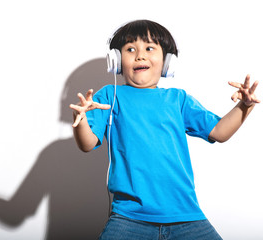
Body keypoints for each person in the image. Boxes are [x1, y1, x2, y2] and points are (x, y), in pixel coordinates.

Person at [69, 20, 260, 240]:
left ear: (168, 62)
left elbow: (219, 132)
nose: (140, 56)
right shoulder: (110, 96)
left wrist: (244, 106)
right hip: (128, 218)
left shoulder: (177, 99)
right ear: (117, 61)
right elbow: (87, 143)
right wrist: (81, 119)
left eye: (149, 49)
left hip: (187, 216)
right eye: (130, 49)